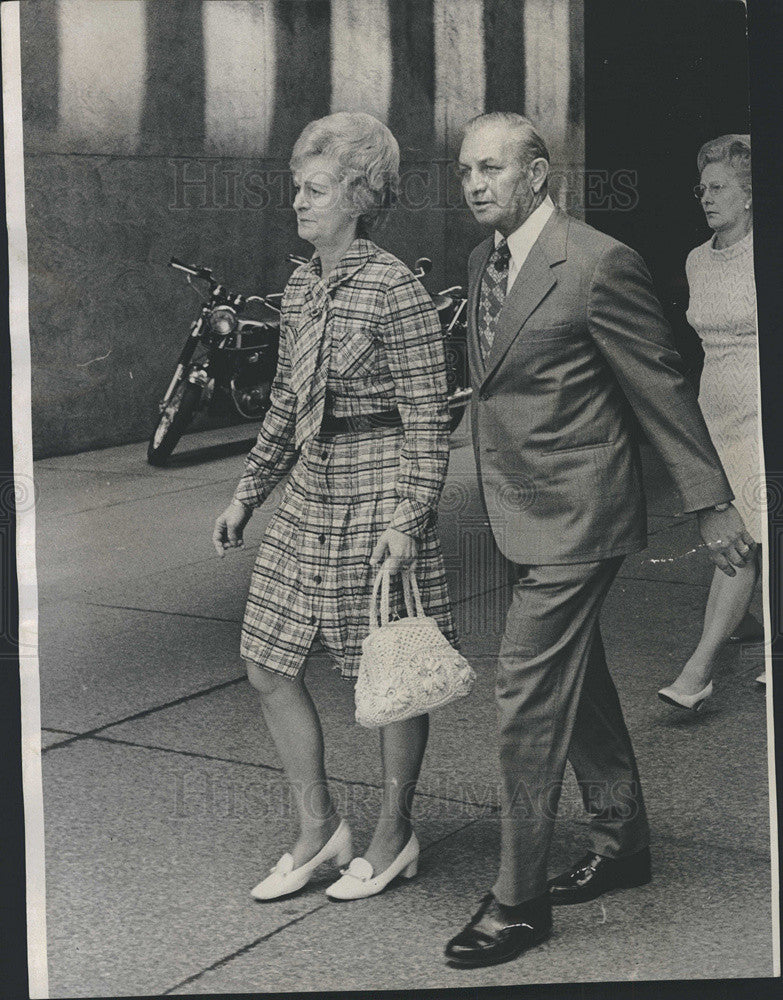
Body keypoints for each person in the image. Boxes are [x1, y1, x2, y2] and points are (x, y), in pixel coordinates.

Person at [444, 112, 754, 969]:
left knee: (523, 699)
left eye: (493, 168)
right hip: (516, 511)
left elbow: (657, 384)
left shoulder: (595, 262)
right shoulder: (482, 263)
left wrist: (709, 502)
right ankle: (623, 843)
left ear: (537, 174)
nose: (474, 183)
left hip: (580, 514)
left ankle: (517, 900)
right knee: (578, 687)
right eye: (466, 168)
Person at [212, 112, 457, 902]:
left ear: (358, 195)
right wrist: (246, 494)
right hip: (312, 493)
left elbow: (429, 416)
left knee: (384, 675)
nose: (298, 202)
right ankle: (320, 829)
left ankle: (393, 829)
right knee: (265, 658)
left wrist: (407, 518)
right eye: (295, 188)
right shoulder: (299, 286)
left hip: (377, 494)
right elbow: (286, 404)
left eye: (314, 189)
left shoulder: (396, 290)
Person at [658, 135, 765, 707]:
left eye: (718, 186)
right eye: (701, 188)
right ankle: (750, 626)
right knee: (746, 530)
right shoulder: (698, 259)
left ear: (750, 195)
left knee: (743, 538)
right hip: (716, 411)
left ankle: (697, 673)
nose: (705, 197)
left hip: (763, 410)